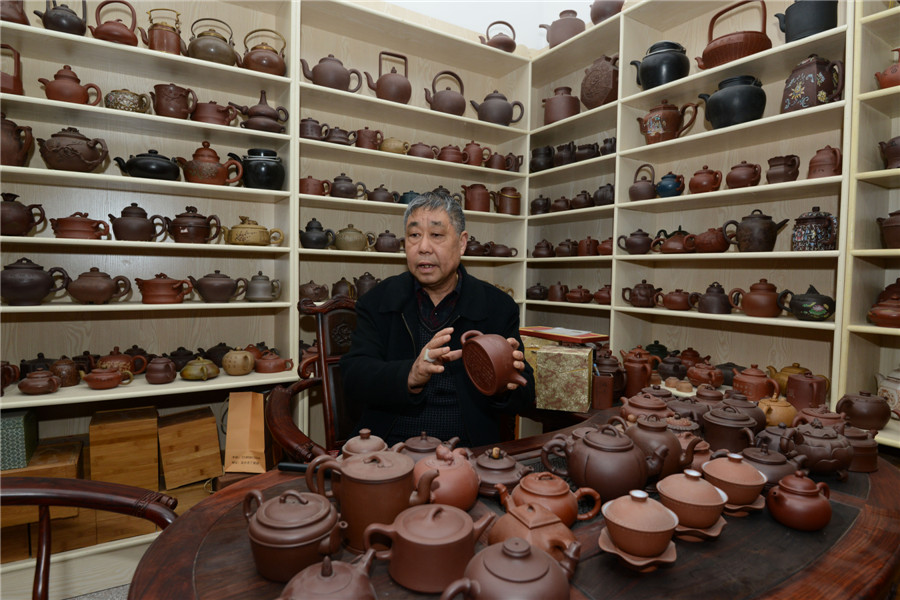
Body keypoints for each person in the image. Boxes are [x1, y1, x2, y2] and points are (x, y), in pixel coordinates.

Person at [340, 191, 535, 446]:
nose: (423, 247)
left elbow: (526, 393)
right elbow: (354, 377)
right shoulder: (379, 301)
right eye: (414, 235)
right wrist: (411, 374)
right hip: (390, 447)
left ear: (462, 242)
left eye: (436, 235)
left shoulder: (496, 306)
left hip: (468, 450)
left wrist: (504, 379)